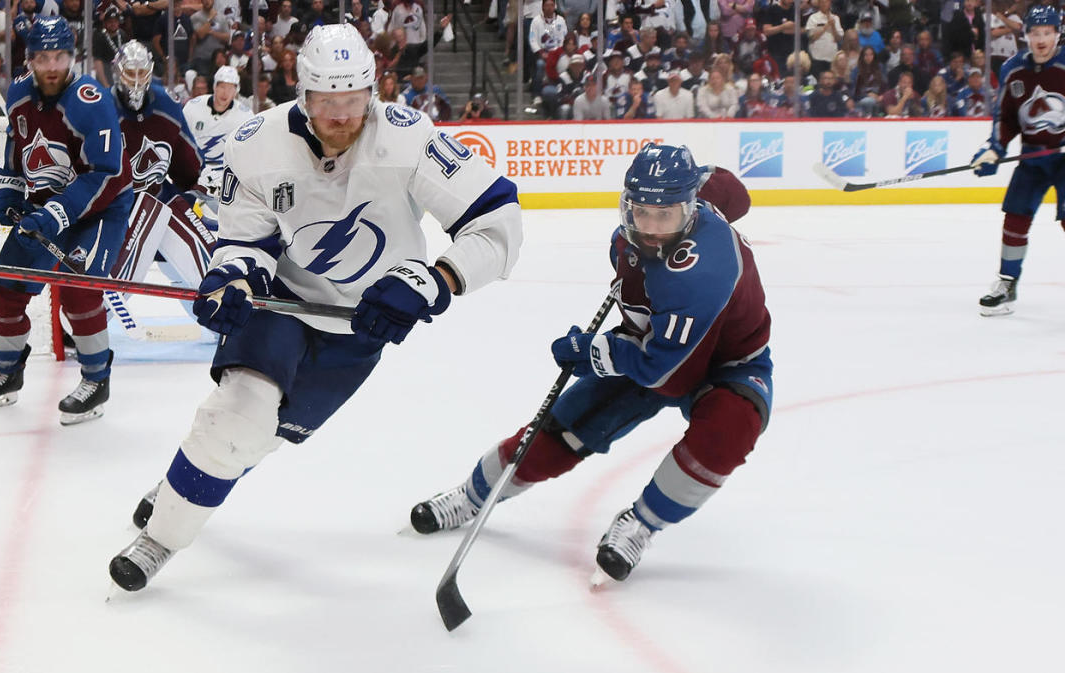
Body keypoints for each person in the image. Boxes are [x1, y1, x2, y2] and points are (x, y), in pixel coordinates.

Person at [107, 24, 522, 592]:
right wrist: (231, 278)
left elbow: (498, 223)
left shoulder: (408, 138)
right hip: (282, 299)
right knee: (238, 414)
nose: (342, 115)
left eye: (353, 99)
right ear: (302, 92)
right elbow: (244, 240)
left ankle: (185, 482)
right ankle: (160, 537)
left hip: (362, 321)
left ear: (373, 91)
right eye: (327, 100)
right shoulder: (255, 143)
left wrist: (434, 279)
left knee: (264, 435)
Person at [408, 145, 770, 584]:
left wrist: (595, 352)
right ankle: (472, 496)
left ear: (691, 210)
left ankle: (642, 523)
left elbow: (664, 374)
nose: (652, 229)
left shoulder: (698, 271)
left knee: (730, 431)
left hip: (724, 363)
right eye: (642, 212)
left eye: (666, 216)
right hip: (649, 347)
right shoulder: (671, 212)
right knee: (563, 430)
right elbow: (736, 194)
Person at [0, 17, 133, 425]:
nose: (52, 65)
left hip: (99, 209)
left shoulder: (91, 101)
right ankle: (7, 374)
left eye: (60, 56)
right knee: (6, 288)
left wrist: (56, 213)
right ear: (30, 60)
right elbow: (15, 145)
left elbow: (105, 172)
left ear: (72, 58)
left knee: (79, 292)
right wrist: (7, 190)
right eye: (43, 58)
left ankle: (96, 380)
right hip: (44, 206)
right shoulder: (20, 94)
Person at [971, 5, 1065, 316]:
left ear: (1057, 34)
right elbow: (1006, 119)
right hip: (1033, 157)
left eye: (1047, 33)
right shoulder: (1012, 69)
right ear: (1025, 35)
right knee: (1015, 217)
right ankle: (1007, 284)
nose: (1041, 39)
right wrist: (993, 149)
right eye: (1035, 33)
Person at [108, 41, 212, 302]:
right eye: (129, 73)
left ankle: (226, 318)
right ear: (116, 72)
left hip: (157, 197)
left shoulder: (166, 104)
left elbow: (188, 162)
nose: (135, 81)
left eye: (141, 73)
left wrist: (198, 183)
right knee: (113, 283)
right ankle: (88, 326)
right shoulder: (101, 109)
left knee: (212, 261)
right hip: (116, 208)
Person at [183, 65, 252, 206]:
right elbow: (181, 142)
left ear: (236, 90)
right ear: (214, 86)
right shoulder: (193, 107)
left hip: (226, 179)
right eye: (221, 86)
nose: (225, 92)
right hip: (195, 175)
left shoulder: (245, 116)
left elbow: (249, 154)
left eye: (230, 88)